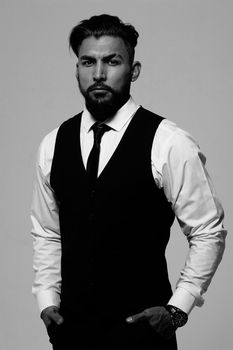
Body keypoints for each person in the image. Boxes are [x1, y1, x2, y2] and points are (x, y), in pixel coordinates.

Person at [30, 14, 227, 350]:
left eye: (112, 61)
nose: (99, 73)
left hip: (142, 335)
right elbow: (48, 230)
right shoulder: (53, 143)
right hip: (71, 334)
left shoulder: (168, 142)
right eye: (88, 61)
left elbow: (208, 230)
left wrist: (177, 308)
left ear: (133, 70)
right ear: (77, 69)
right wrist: (47, 300)